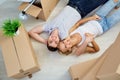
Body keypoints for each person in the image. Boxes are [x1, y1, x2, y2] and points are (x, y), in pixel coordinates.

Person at [28, 0, 108, 51]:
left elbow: (31, 32)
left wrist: (44, 41)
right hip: (82, 10)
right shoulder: (65, 36)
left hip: (72, 3)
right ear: (59, 42)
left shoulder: (48, 27)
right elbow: (71, 47)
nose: (54, 39)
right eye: (55, 42)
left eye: (50, 41)